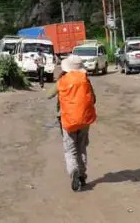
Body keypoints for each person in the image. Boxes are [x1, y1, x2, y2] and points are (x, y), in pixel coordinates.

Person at [46, 54, 97, 191]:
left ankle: (73, 171)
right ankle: (82, 175)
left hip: (67, 119)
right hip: (84, 120)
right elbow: (93, 99)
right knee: (82, 147)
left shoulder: (62, 81)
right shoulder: (85, 80)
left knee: (70, 150)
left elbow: (48, 95)